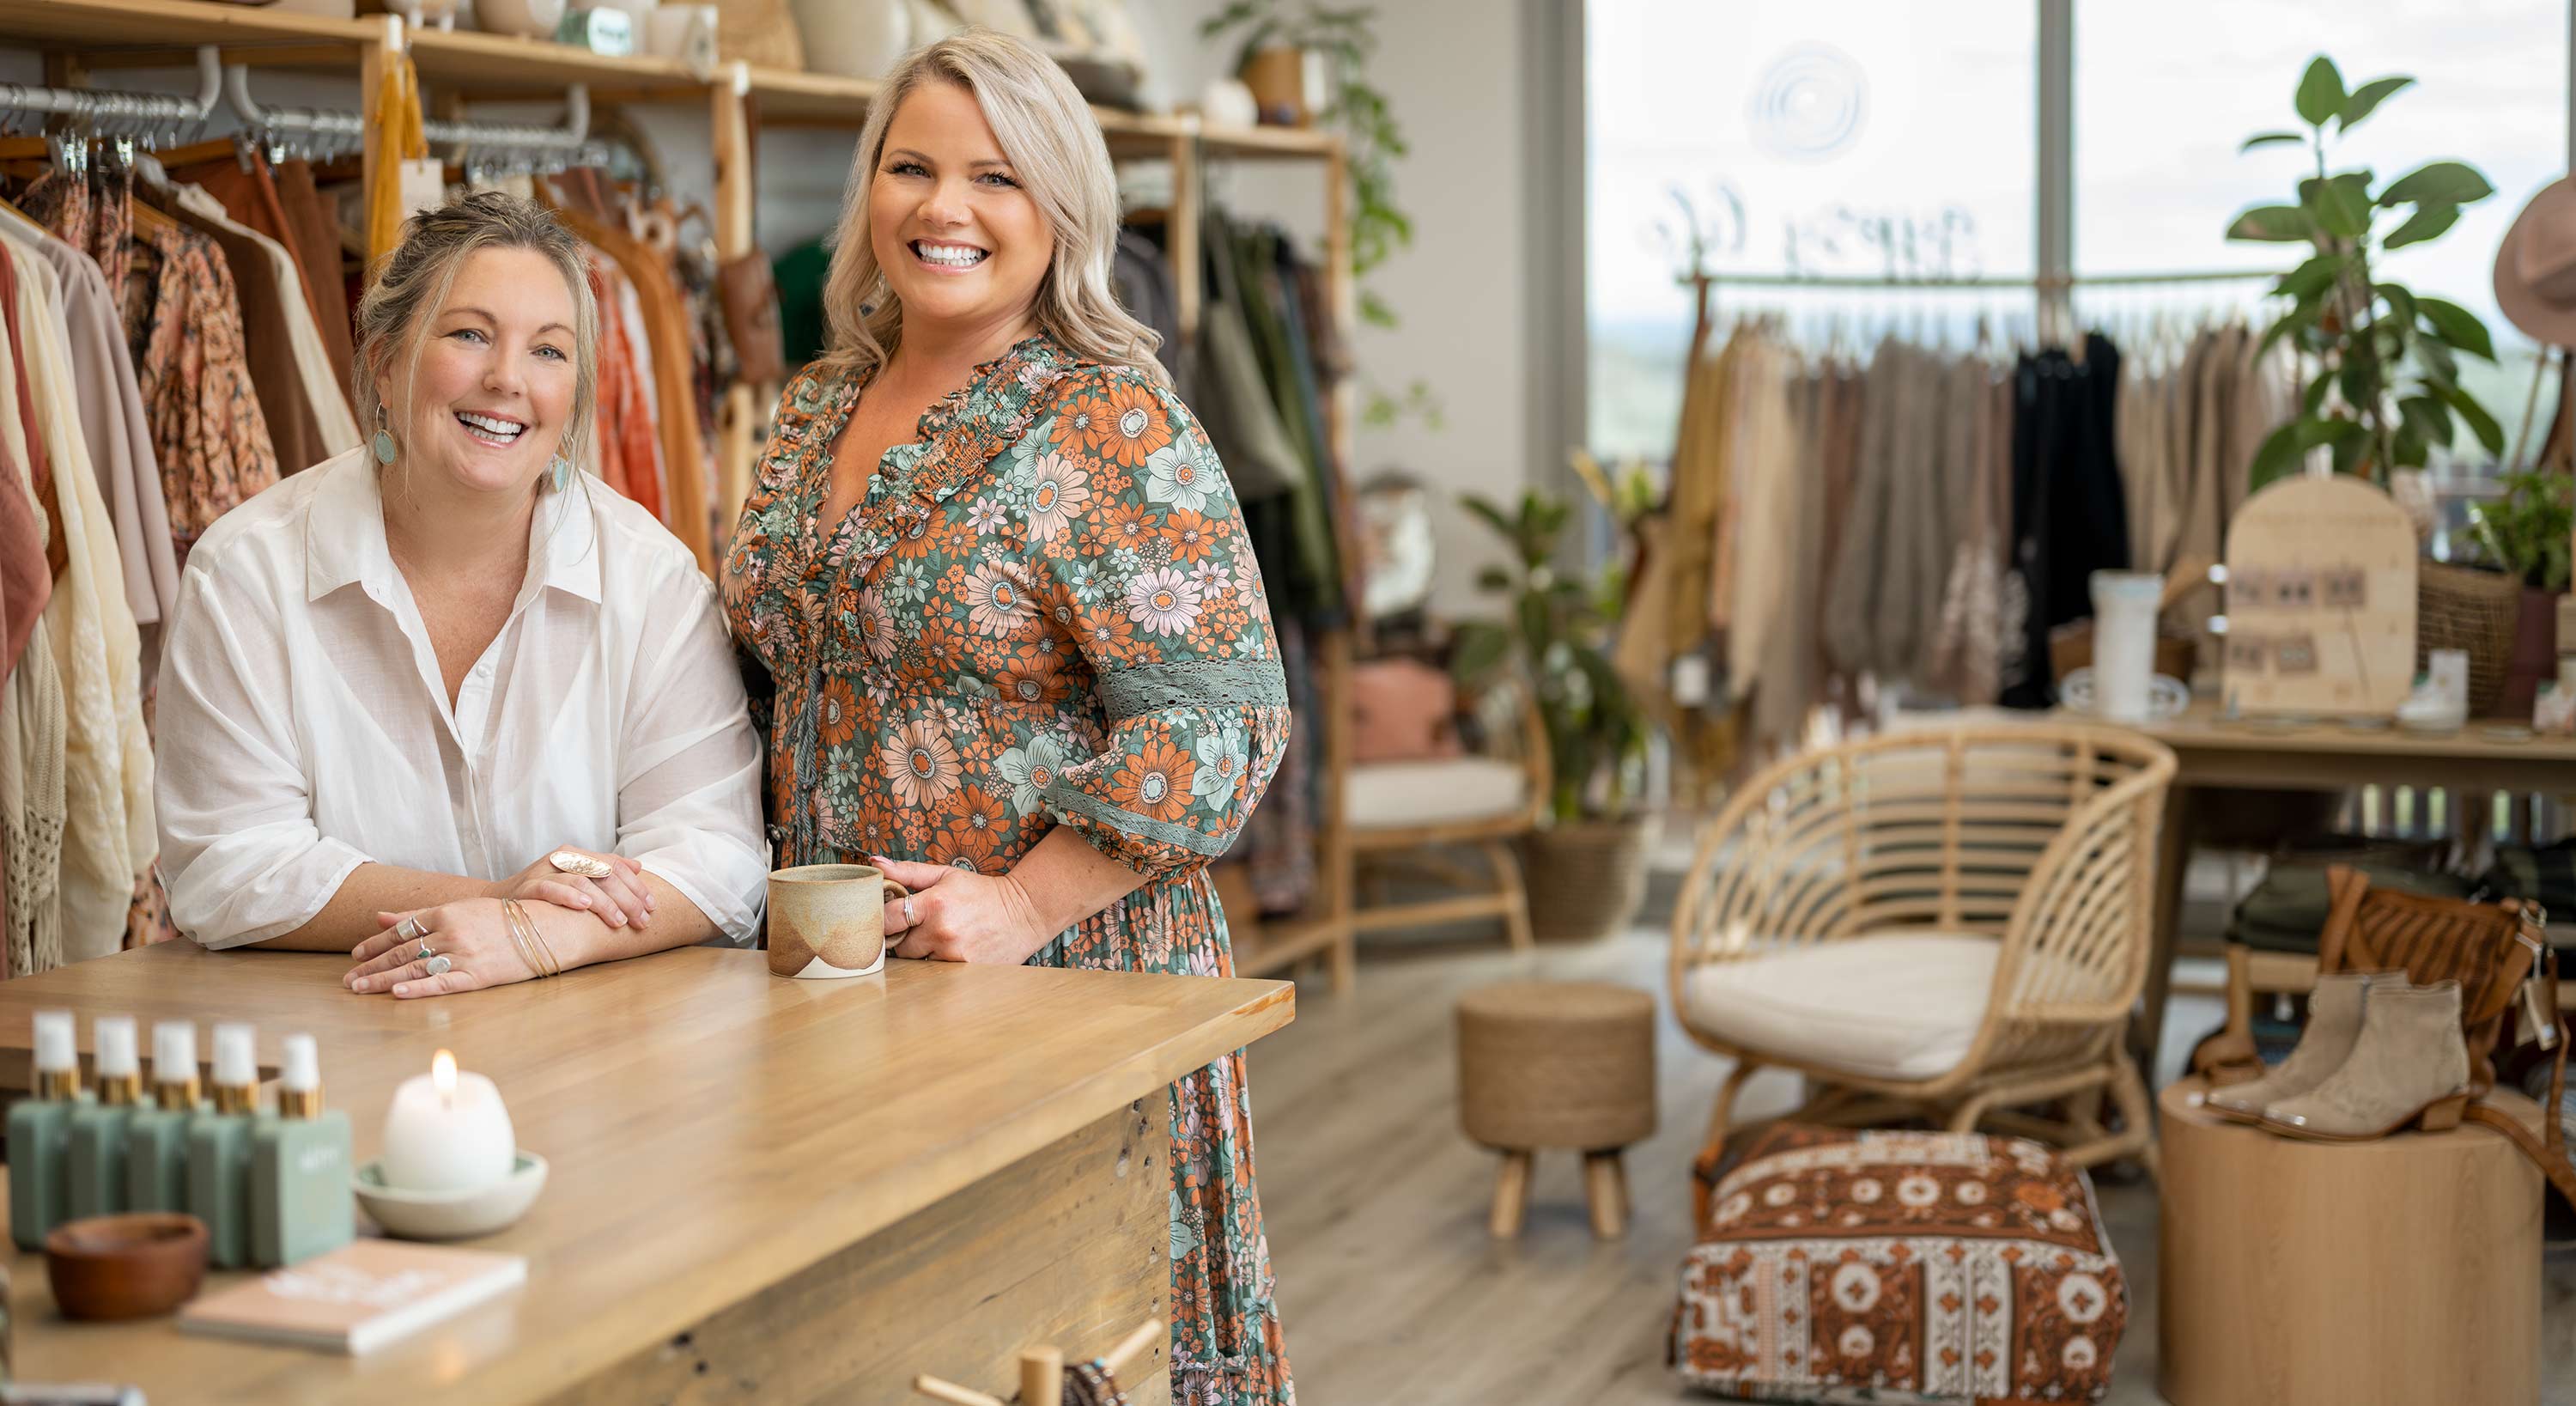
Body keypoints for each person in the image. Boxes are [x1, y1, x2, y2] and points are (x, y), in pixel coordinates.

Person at [722, 32, 1295, 1404]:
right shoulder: (812, 409)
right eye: (911, 167)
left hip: (1062, 977)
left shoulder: (1113, 425)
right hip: (835, 979)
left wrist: (1027, 907)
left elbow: (1226, 722)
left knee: (1054, 1350)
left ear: (1062, 214)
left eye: (997, 177)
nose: (945, 208)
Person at [155, 192, 767, 996]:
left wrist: (542, 935)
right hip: (334, 1048)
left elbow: (720, 858)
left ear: (577, 392)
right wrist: (497, 905)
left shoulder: (651, 580)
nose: (507, 379)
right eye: (470, 334)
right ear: (383, 359)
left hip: (596, 1065)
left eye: (549, 352)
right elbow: (226, 867)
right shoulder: (248, 574)